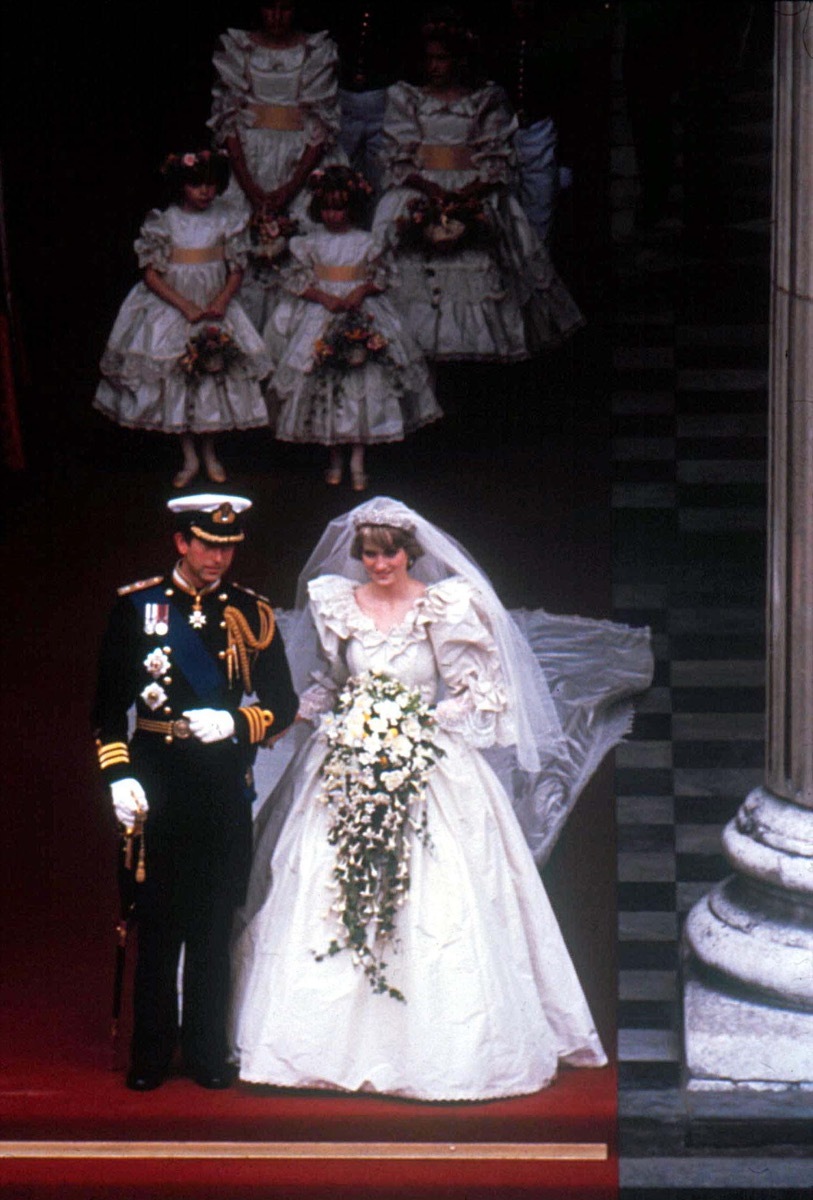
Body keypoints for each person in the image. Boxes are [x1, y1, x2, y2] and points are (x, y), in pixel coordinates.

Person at [229, 497, 653, 1100]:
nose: (380, 564)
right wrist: (312, 715)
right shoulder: (334, 604)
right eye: (370, 553)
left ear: (411, 553)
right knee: (321, 885)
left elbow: (478, 695)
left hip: (427, 763)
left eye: (391, 553)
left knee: (442, 896)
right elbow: (331, 679)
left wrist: (410, 727)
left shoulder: (445, 607)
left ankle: (440, 1049)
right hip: (346, 758)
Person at [93, 494, 298, 1091]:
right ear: (181, 542)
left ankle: (208, 1051)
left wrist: (239, 722)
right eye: (208, 545)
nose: (219, 558)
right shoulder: (139, 608)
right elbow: (107, 711)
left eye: (229, 547)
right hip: (157, 780)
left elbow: (282, 705)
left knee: (212, 922)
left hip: (221, 785)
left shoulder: (251, 612)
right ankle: (152, 1052)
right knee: (157, 920)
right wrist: (118, 775)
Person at [372, 8, 584, 362]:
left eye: (442, 59)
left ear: (458, 61)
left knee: (481, 251)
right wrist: (431, 190)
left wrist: (467, 194)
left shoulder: (483, 100)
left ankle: (479, 343)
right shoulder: (407, 97)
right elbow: (399, 157)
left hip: (470, 187)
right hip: (424, 187)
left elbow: (496, 159)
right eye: (430, 59)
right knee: (408, 245)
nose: (434, 66)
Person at [94, 150, 271, 489]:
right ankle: (188, 456)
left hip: (213, 305)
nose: (205, 192)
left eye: (210, 185)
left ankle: (210, 452)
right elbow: (151, 274)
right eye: (196, 185)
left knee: (212, 377)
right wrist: (184, 306)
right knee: (179, 378)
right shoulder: (164, 222)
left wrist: (220, 300)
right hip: (175, 307)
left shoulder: (226, 219)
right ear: (181, 186)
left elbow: (236, 269)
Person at [266, 165, 442, 490]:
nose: (334, 215)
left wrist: (361, 291)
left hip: (362, 312)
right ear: (319, 208)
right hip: (322, 314)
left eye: (341, 207)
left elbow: (383, 276)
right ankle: (334, 458)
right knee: (328, 384)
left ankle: (358, 461)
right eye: (329, 208)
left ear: (354, 207)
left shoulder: (367, 241)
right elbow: (295, 279)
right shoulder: (308, 243)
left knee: (363, 384)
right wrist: (322, 296)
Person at [209, 2, 344, 330]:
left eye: (285, 8)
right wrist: (249, 185)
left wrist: (291, 186)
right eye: (269, 8)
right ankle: (242, 336)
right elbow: (228, 120)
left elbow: (319, 125)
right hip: (249, 157)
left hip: (298, 156)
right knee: (242, 242)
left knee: (301, 239)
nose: (277, 17)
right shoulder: (239, 47)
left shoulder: (315, 50)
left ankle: (293, 337)